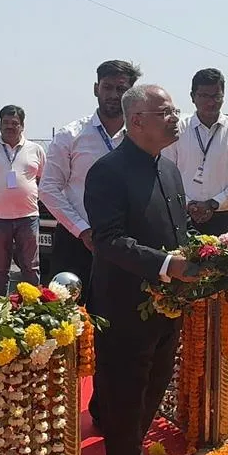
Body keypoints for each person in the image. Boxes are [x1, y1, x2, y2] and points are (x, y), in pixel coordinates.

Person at [85, 84, 200, 455]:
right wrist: (168, 265)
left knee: (155, 384)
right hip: (123, 305)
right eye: (165, 112)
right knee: (124, 392)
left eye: (174, 112)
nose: (175, 119)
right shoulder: (108, 172)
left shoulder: (167, 169)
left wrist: (206, 256)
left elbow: (178, 234)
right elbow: (109, 241)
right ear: (137, 121)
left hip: (167, 304)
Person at [40, 59, 142, 303]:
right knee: (71, 321)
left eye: (122, 89)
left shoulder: (142, 137)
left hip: (128, 244)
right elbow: (48, 188)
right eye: (107, 87)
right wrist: (82, 230)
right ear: (96, 88)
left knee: (123, 319)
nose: (114, 95)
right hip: (78, 242)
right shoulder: (71, 135)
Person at [160, 68, 228, 236]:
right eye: (204, 96)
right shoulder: (178, 130)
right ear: (192, 97)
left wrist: (214, 203)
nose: (211, 103)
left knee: (222, 263)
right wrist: (189, 204)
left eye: (216, 97)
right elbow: (164, 175)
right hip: (182, 216)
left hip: (223, 218)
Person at [0, 105, 47, 297]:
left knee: (31, 268)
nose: (10, 127)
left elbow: (42, 179)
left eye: (15, 123)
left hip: (28, 217)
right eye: (5, 122)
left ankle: (33, 310)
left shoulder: (36, 150)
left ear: (22, 126)